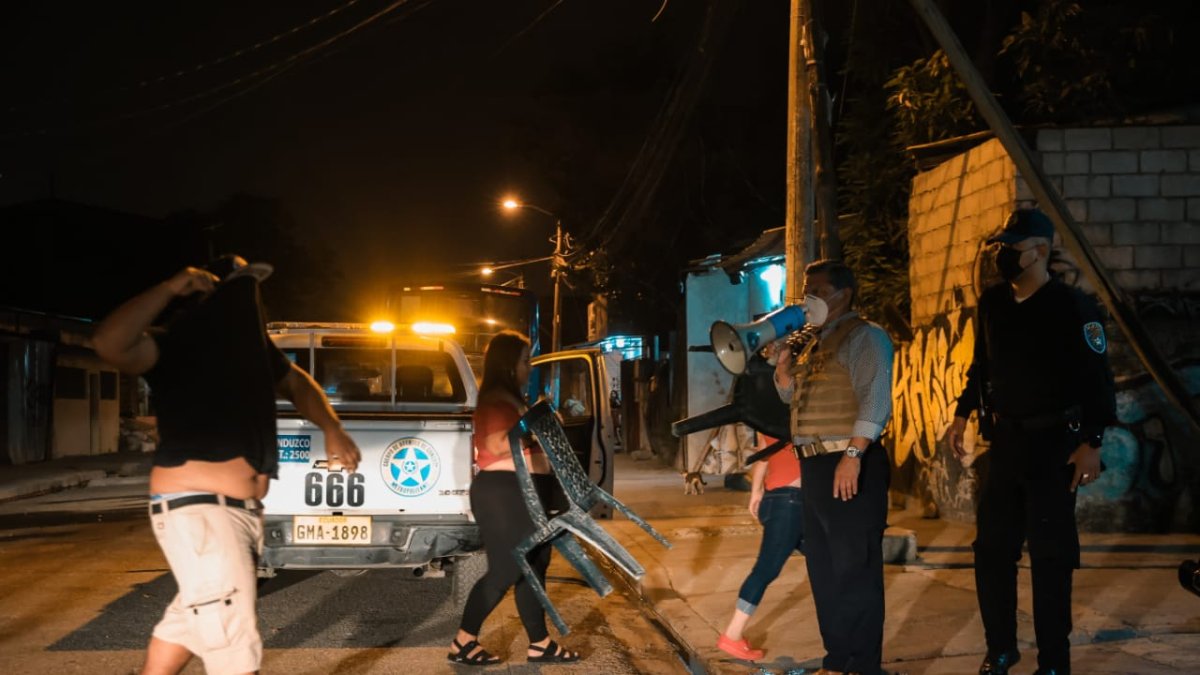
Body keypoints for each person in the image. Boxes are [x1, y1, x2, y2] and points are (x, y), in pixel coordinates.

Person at [91, 255, 361, 675]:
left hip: (234, 515)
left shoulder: (251, 352)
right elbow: (109, 343)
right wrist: (168, 287)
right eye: (237, 287)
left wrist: (331, 426)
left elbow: (295, 382)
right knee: (233, 647)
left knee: (189, 621)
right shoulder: (172, 343)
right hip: (201, 511)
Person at [947, 208, 1116, 675]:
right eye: (1001, 246)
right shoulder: (993, 304)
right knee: (992, 551)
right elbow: (981, 366)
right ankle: (1000, 647)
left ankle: (1054, 662)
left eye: (1012, 247)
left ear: (1040, 250)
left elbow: (1098, 380)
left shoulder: (1073, 306)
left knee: (1050, 556)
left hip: (1055, 445)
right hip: (1005, 443)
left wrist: (1093, 441)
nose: (1002, 255)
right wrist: (962, 413)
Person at [773, 259, 894, 675]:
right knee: (824, 571)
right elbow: (797, 402)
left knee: (854, 571)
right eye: (806, 291)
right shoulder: (815, 342)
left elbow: (877, 400)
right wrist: (785, 370)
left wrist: (854, 456)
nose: (809, 300)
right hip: (816, 467)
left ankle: (863, 666)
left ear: (843, 294)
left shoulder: (866, 337)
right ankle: (838, 661)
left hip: (850, 465)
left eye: (818, 291)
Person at [448, 330, 581, 666]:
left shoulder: (512, 398)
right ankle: (463, 642)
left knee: (534, 567)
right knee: (507, 570)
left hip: (522, 491)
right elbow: (494, 445)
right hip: (502, 492)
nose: (530, 366)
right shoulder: (496, 398)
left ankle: (540, 644)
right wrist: (533, 425)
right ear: (509, 365)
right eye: (525, 360)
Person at [716, 428, 804, 662]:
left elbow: (764, 456)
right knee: (766, 569)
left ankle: (846, 636)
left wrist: (756, 493)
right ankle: (732, 634)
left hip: (778, 498)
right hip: (791, 502)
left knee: (829, 564)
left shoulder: (769, 417)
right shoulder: (804, 412)